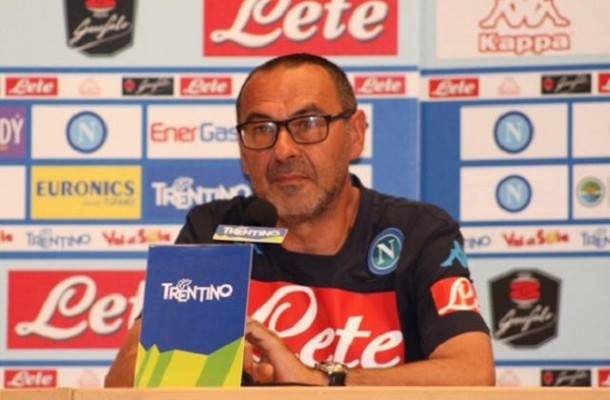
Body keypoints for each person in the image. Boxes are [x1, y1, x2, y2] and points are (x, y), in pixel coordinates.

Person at [105, 53, 494, 387]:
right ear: (243, 152)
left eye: (308, 124)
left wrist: (319, 380)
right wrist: (202, 362)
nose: (283, 150)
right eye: (261, 130)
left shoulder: (417, 233)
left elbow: (473, 373)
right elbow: (122, 379)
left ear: (355, 134)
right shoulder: (215, 231)